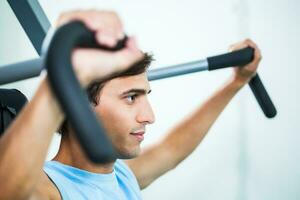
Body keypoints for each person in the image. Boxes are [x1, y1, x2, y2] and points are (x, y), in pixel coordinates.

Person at [0, 10, 261, 200]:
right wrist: (60, 74)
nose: (149, 116)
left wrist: (236, 82)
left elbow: (172, 149)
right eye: (131, 97)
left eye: (145, 95)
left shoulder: (122, 177)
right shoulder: (49, 189)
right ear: (77, 106)